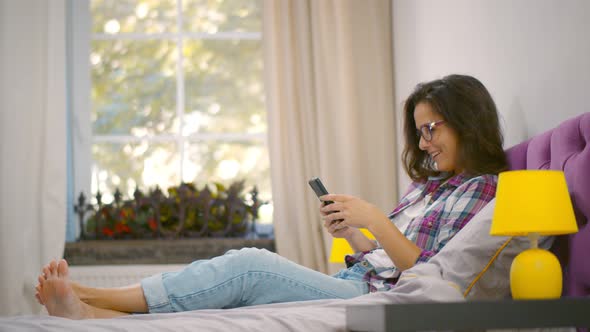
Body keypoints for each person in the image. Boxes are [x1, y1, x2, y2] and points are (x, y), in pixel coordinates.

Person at [35, 74, 507, 319]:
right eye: (420, 132)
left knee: (250, 266)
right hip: (366, 276)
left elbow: (426, 272)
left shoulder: (482, 189)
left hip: (375, 293)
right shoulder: (431, 186)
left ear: (468, 121)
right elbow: (392, 256)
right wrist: (359, 235)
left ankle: (89, 295)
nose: (423, 143)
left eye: (431, 129)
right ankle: (92, 311)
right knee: (243, 282)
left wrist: (375, 220)